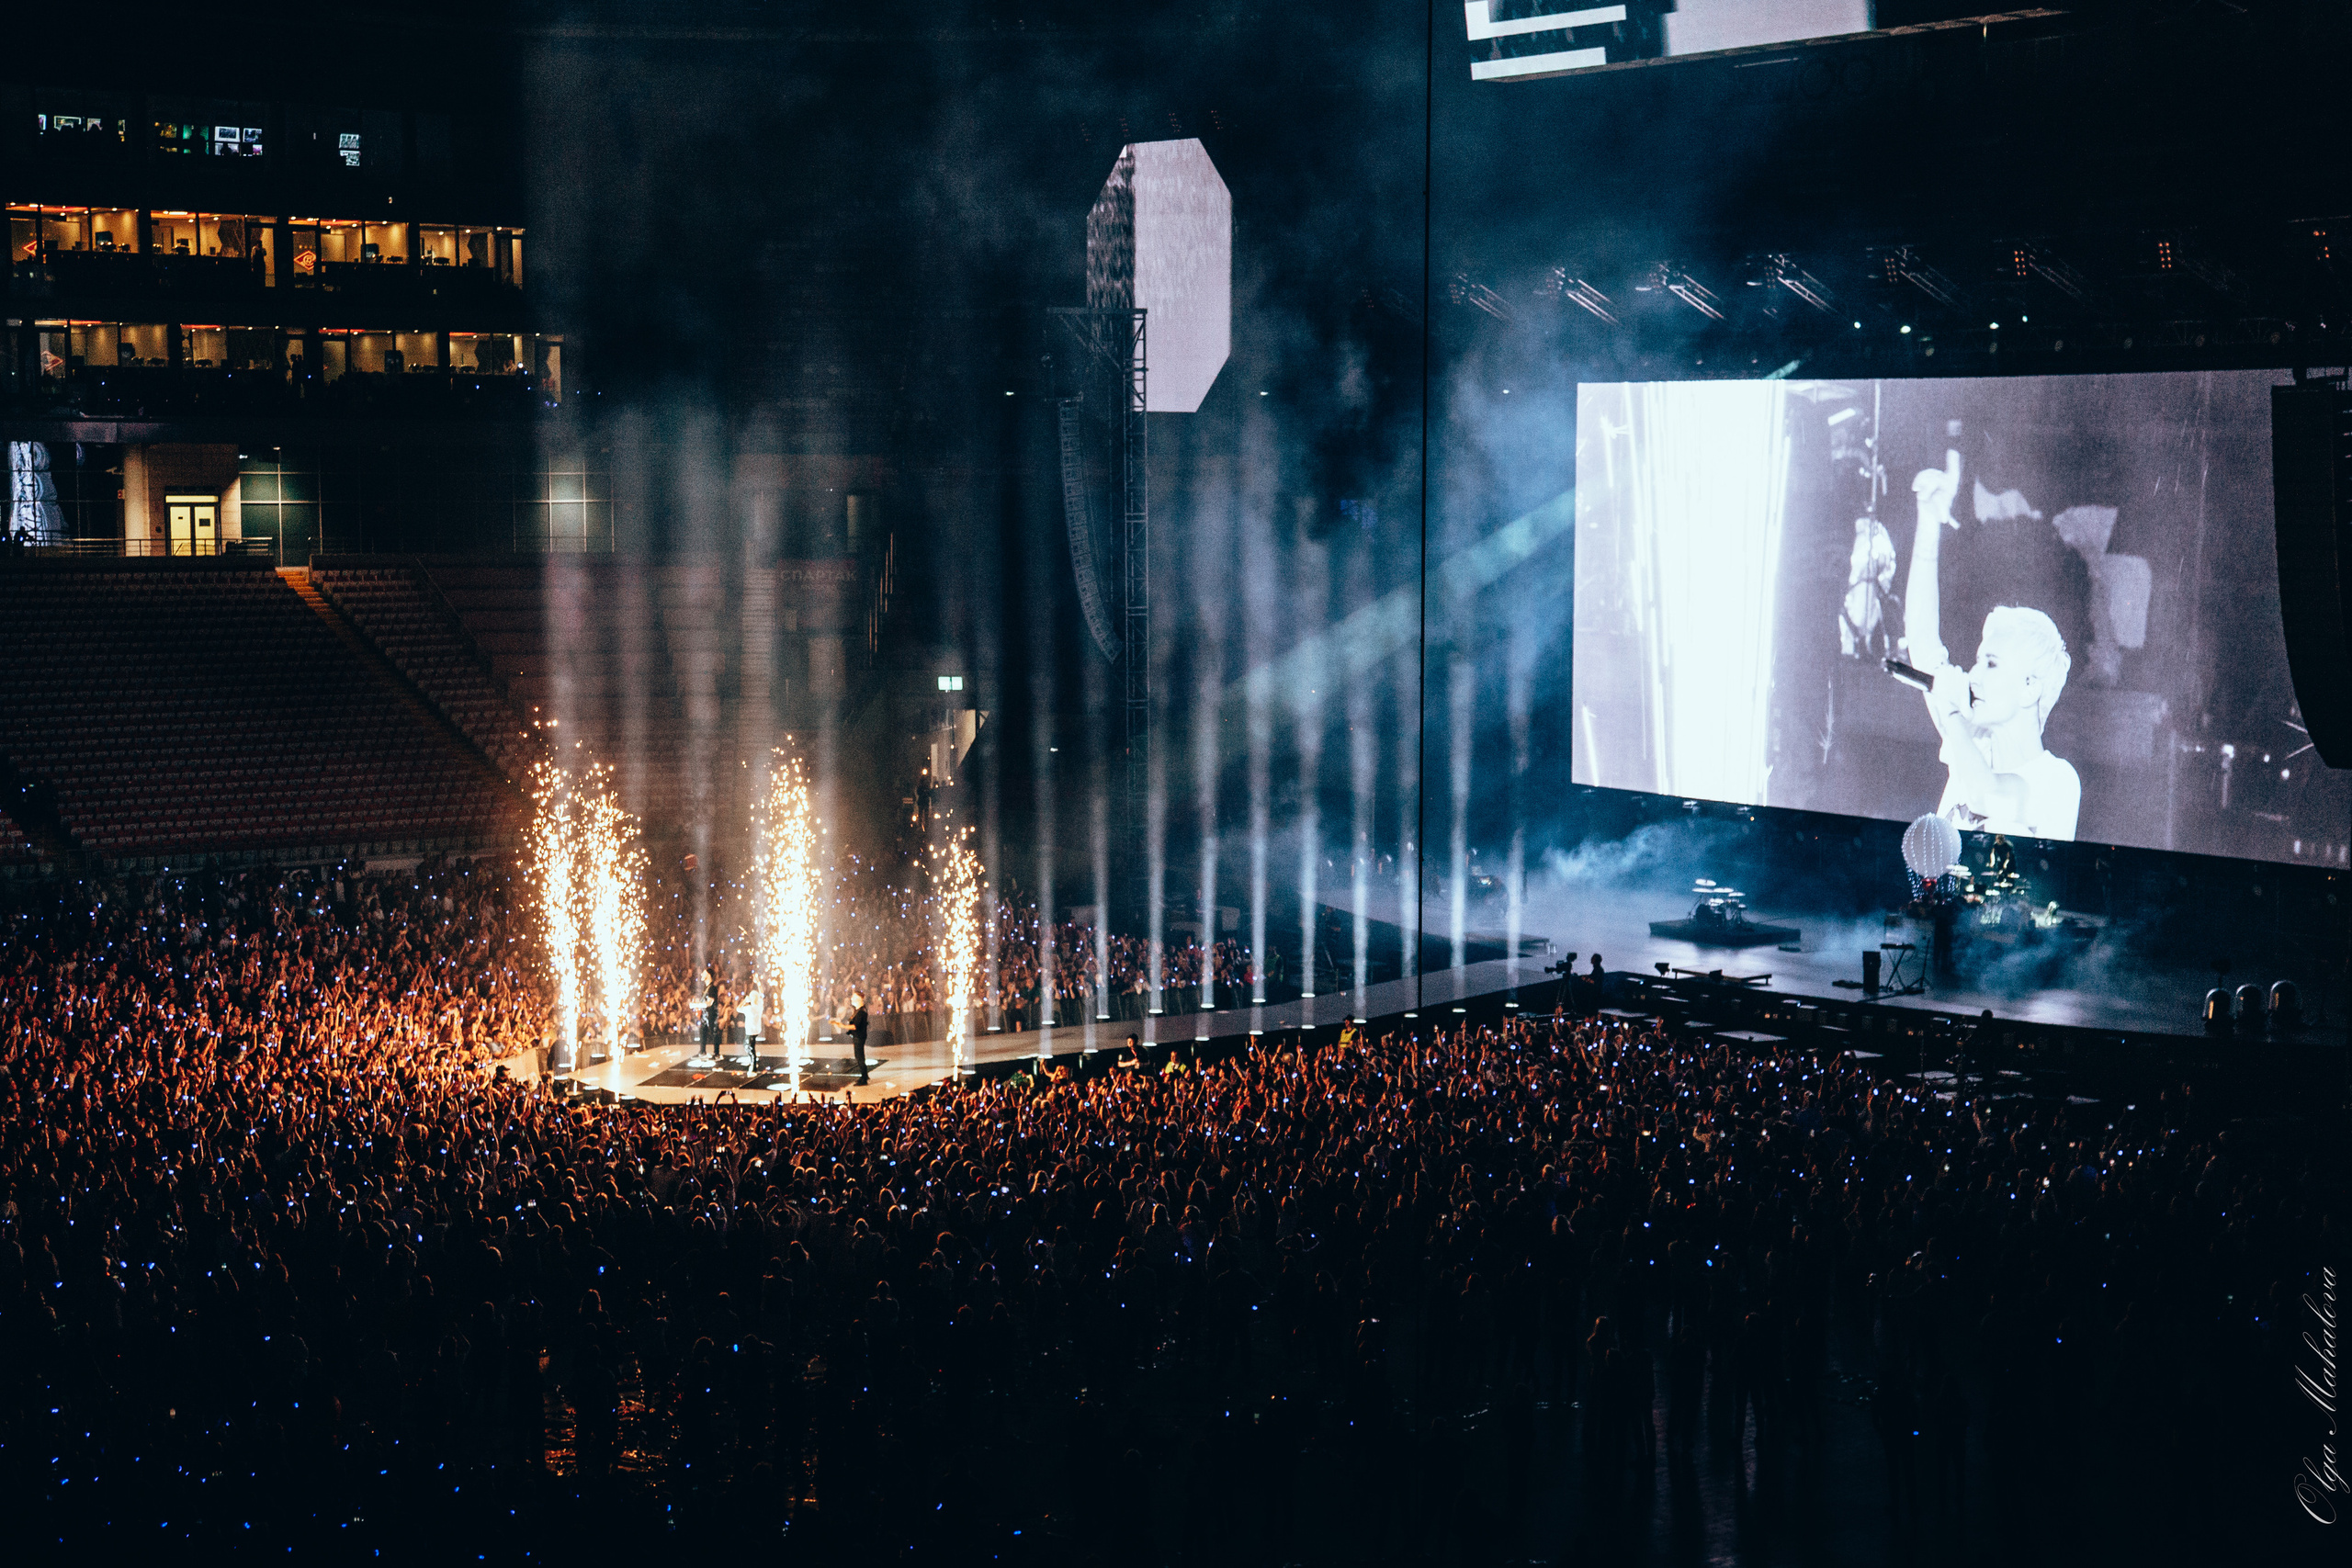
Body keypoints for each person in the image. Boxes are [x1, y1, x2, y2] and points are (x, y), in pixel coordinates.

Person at [1905, 457, 2081, 840]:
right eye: (1978, 660)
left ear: (2030, 686)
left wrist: (1951, 713)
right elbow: (1921, 639)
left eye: (1992, 663)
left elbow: (1989, 796)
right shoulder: (1972, 744)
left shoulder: (2057, 780)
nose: (1973, 674)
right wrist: (1928, 524)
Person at [738, 981, 763, 1068]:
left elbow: (738, 1009)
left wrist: (745, 1001)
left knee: (748, 1046)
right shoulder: (759, 1006)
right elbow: (761, 994)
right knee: (749, 1045)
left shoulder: (749, 1008)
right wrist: (758, 982)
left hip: (751, 1031)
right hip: (756, 1030)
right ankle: (753, 1060)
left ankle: (753, 1064)